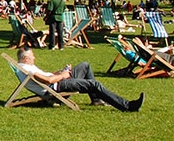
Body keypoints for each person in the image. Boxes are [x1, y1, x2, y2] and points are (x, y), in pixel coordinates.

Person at [16, 47, 144, 111]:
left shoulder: (24, 66)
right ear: (26, 58)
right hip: (56, 88)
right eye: (32, 57)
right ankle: (128, 106)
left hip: (58, 82)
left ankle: (97, 99)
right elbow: (48, 81)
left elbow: (47, 76)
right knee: (94, 84)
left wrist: (61, 71)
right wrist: (63, 76)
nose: (34, 58)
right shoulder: (28, 69)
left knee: (85, 65)